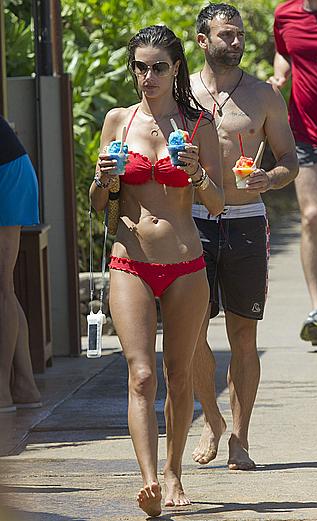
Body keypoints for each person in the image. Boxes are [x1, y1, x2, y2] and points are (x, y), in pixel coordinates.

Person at [89, 25, 224, 517]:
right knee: (141, 375)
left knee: (178, 374)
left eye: (158, 67)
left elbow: (218, 201)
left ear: (176, 69)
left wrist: (197, 173)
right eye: (140, 68)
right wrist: (102, 180)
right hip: (131, 261)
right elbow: (98, 203)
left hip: (186, 264)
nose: (147, 77)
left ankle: (173, 475)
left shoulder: (197, 123)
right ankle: (147, 481)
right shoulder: (118, 120)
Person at [189, 3, 298, 471]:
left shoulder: (264, 96)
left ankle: (240, 437)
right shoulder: (181, 95)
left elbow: (289, 160)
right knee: (192, 334)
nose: (235, 43)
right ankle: (212, 420)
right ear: (202, 41)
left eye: (239, 36)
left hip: (247, 220)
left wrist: (269, 180)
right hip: (193, 221)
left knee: (244, 336)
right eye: (226, 35)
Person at [269, 0, 317, 346]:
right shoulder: (285, 14)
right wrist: (280, 74)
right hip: (305, 130)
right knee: (312, 217)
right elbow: (285, 52)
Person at [0, 116, 42, 413]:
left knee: (2, 287)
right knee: (5, 288)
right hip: (12, 168)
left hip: (8, 172)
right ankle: (25, 386)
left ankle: (1, 389)